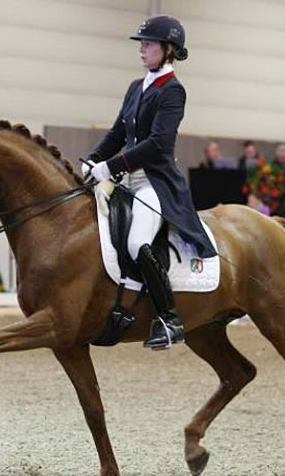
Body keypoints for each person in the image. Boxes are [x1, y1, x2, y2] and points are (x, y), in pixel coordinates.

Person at [82, 15, 217, 350]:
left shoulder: (173, 91)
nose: (142, 49)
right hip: (128, 178)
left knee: (136, 241)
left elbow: (158, 144)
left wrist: (110, 165)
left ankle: (169, 318)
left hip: (156, 183)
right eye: (142, 43)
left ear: (169, 49)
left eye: (149, 43)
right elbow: (117, 133)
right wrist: (94, 160)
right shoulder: (135, 87)